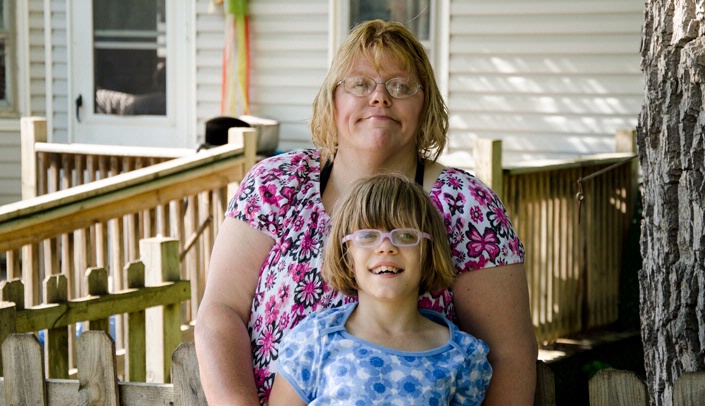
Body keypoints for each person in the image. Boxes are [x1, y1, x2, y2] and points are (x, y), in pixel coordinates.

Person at [195, 19, 537, 405]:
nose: (380, 98)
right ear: (333, 99)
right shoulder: (275, 183)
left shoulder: (468, 205)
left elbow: (509, 355)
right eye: (359, 84)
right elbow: (219, 313)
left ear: (425, 105)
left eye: (400, 86)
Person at [268, 174, 492, 405]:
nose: (386, 247)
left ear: (428, 253)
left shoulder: (461, 357)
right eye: (367, 236)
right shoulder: (314, 341)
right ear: (347, 255)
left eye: (405, 235)